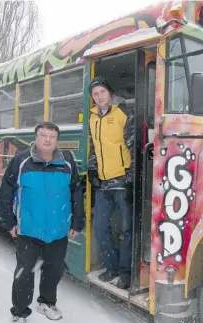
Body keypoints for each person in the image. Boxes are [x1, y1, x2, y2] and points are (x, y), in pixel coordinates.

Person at [0, 122, 85, 323]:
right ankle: (19, 313)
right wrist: (9, 221)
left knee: (53, 269)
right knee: (24, 272)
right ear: (36, 138)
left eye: (52, 136)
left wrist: (76, 221)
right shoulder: (21, 160)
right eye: (43, 135)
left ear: (57, 140)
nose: (47, 140)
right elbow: (6, 191)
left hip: (58, 229)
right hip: (28, 229)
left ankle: (46, 303)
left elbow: (76, 192)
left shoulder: (67, 162)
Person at [87, 76, 134, 289]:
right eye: (95, 94)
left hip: (121, 179)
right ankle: (112, 266)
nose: (99, 97)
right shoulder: (92, 118)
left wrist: (131, 178)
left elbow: (133, 147)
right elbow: (93, 146)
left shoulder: (123, 114)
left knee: (126, 229)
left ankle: (126, 272)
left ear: (110, 94)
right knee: (100, 227)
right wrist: (92, 169)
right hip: (103, 183)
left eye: (102, 92)